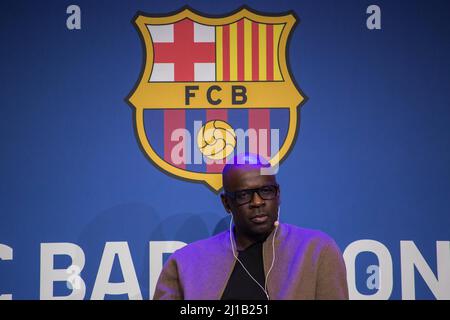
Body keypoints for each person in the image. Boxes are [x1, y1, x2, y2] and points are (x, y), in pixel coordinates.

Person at [153, 153, 348, 300]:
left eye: (266, 190)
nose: (257, 202)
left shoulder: (316, 251)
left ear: (278, 194)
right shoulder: (186, 262)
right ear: (227, 203)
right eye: (244, 195)